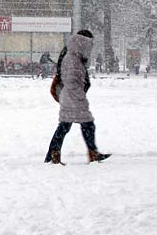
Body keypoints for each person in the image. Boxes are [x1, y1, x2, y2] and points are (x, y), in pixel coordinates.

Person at [45, 30, 111, 165]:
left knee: (67, 126)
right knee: (83, 125)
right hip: (73, 98)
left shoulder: (73, 55)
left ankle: (54, 154)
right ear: (83, 42)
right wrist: (80, 96)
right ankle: (90, 153)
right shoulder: (72, 58)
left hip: (71, 97)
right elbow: (71, 81)